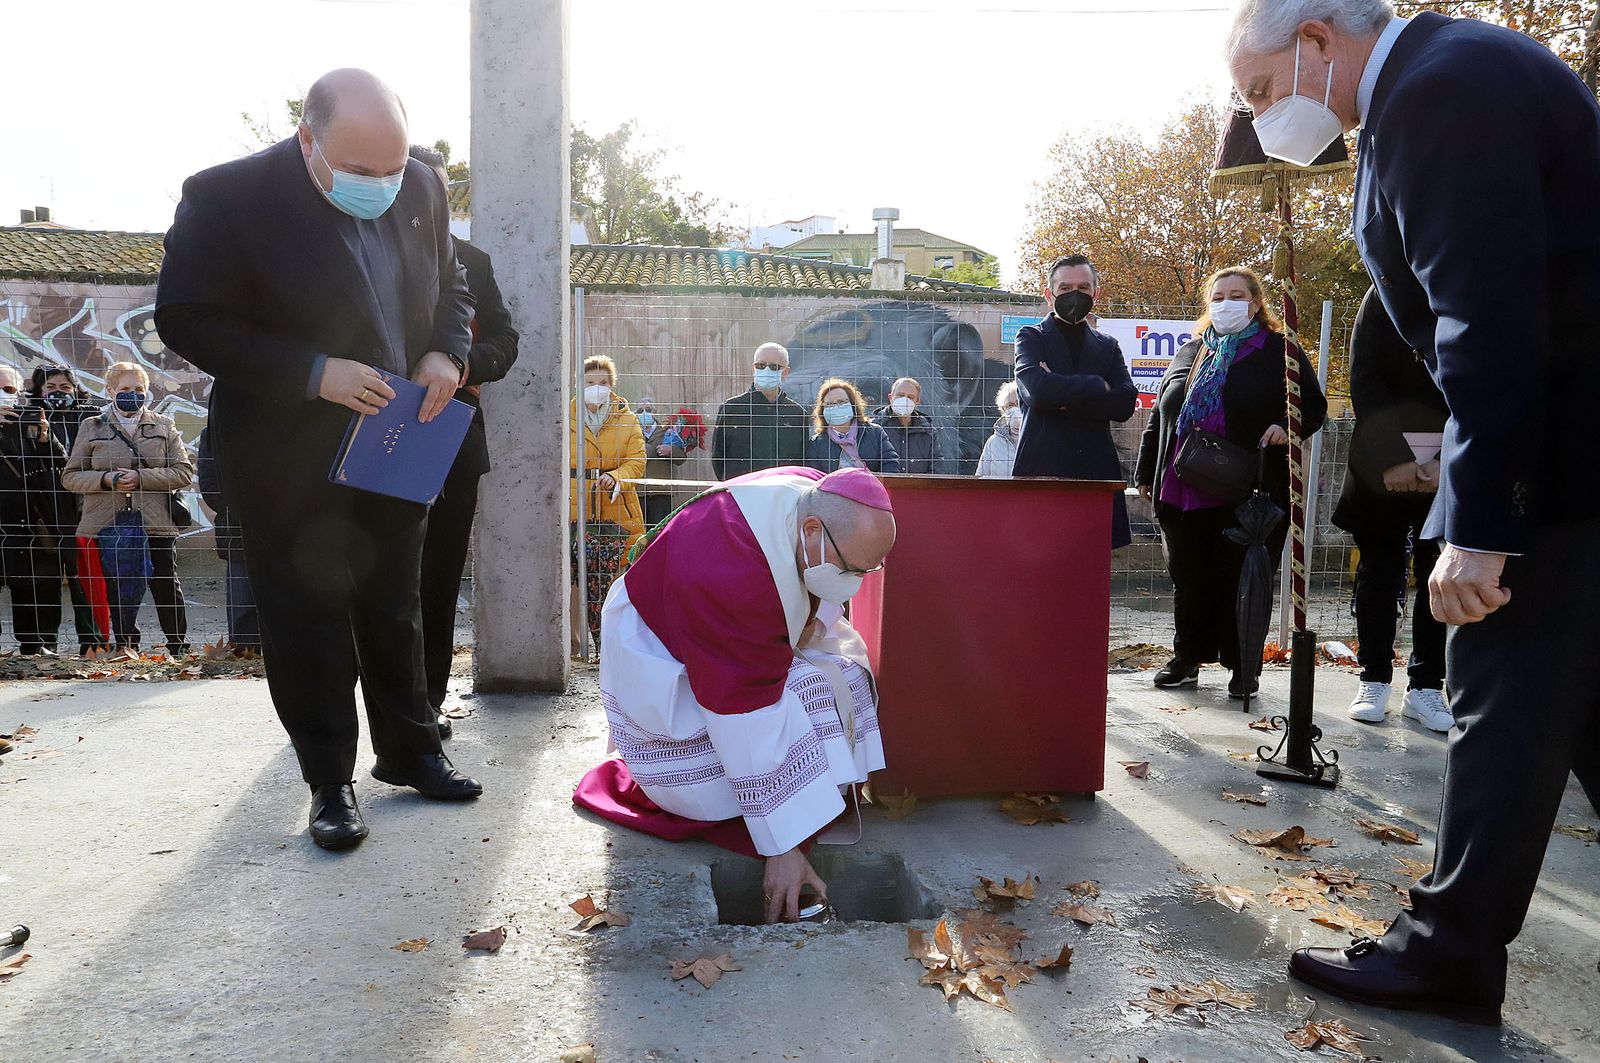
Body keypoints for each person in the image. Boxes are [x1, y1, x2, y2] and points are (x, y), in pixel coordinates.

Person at [1228, 1, 1600, 1025]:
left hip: (1561, 469)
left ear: (1316, 39)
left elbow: (1489, 320)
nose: (1259, 118)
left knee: (1499, 694)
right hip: (1574, 455)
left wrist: (1480, 528)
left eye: (1259, 91)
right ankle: (1451, 947)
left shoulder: (1439, 93)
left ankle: (1448, 953)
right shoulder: (1448, 74)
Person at [154, 68, 483, 852]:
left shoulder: (420, 187)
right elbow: (186, 317)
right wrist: (313, 372)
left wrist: (446, 351)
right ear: (309, 139)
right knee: (306, 617)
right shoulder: (226, 197)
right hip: (285, 452)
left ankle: (411, 751)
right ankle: (329, 781)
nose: (383, 185)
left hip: (395, 438)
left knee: (395, 602)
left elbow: (454, 285)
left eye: (393, 167)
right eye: (362, 170)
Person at [572, 466, 896, 923]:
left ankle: (809, 801)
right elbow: (743, 714)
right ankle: (779, 815)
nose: (855, 582)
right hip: (666, 677)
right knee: (809, 692)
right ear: (811, 530)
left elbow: (806, 591)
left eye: (867, 570)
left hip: (724, 639)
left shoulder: (812, 493)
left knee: (846, 672)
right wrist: (783, 845)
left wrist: (809, 620)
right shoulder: (732, 573)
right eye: (850, 570)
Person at [1134, 267, 1326, 698]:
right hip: (1183, 487)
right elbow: (1161, 414)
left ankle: (1243, 667)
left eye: (1237, 296)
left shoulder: (1279, 350)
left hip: (1248, 489)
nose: (1226, 304)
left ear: (1256, 303)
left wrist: (1286, 426)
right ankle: (1187, 658)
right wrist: (1146, 470)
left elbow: (1313, 406)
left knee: (1242, 581)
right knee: (1189, 580)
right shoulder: (1192, 350)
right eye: (1218, 297)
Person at [411, 145, 521, 735]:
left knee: (439, 574)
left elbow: (505, 338)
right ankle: (363, 701)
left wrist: (461, 364)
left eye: (436, 187)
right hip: (373, 429)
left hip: (454, 435)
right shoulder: (359, 254)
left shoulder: (472, 262)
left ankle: (426, 703)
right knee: (371, 572)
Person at [1332, 288, 1450, 731]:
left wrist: (1449, 460)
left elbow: (1481, 377)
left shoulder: (1467, 286)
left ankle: (1426, 686)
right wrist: (1394, 458)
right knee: (1378, 572)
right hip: (1381, 463)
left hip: (1450, 458)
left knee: (1439, 572)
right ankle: (1374, 677)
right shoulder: (1383, 293)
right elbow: (1366, 377)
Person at [61, 362, 194, 656]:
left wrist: (141, 477)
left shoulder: (163, 425)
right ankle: (126, 645)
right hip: (107, 521)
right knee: (117, 585)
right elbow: (70, 477)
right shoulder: (92, 426)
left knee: (165, 584)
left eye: (138, 389)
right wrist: (106, 479)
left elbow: (184, 472)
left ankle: (178, 646)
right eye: (124, 389)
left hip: (155, 520)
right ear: (110, 391)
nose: (132, 394)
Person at [1013, 254, 1140, 546]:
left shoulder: (1107, 345)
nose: (1075, 295)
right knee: (1040, 563)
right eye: (1065, 288)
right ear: (1049, 295)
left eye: (1083, 288)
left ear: (1096, 294)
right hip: (1043, 472)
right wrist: (1097, 385)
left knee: (1091, 567)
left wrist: (1060, 396)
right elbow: (1036, 391)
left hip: (1095, 474)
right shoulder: (1031, 337)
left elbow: (1124, 404)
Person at [569, 354, 646, 657]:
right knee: (575, 578)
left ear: (612, 386)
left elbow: (637, 462)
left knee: (614, 578)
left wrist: (616, 477)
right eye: (590, 382)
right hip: (576, 506)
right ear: (579, 384)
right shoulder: (566, 416)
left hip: (617, 509)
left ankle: (612, 647)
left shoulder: (628, 419)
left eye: (603, 382)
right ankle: (574, 646)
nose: (596, 387)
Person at [28, 364, 109, 653]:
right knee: (46, 578)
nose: (58, 393)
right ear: (39, 391)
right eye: (50, 388)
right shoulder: (27, 418)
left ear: (75, 390)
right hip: (43, 508)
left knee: (83, 577)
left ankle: (92, 642)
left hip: (83, 507)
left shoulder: (92, 419)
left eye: (65, 387)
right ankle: (44, 643)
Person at [0, 365, 69, 655]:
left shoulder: (30, 418)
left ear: (19, 393)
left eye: (9, 389)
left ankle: (38, 643)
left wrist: (45, 438)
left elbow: (61, 466)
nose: (3, 395)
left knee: (36, 584)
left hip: (30, 518)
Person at [196, 425, 258, 653]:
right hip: (235, 525)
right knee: (241, 594)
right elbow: (209, 482)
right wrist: (232, 509)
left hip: (279, 524)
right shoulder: (214, 433)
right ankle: (245, 651)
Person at [711, 342, 809, 480]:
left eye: (774, 367)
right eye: (761, 365)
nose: (766, 370)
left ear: (785, 372)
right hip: (741, 489)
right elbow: (718, 458)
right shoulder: (731, 408)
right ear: (754, 368)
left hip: (782, 490)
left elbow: (802, 460)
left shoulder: (797, 414)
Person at [806, 379, 902, 474]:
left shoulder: (875, 432)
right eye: (829, 404)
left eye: (841, 402)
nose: (836, 407)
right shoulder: (817, 443)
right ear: (822, 409)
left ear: (852, 405)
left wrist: (875, 480)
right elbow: (814, 475)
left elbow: (890, 463)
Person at [635, 395, 688, 528]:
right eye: (640, 411)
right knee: (640, 531)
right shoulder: (632, 432)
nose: (644, 413)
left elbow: (681, 458)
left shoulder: (667, 431)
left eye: (648, 409)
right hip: (638, 491)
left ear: (655, 412)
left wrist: (671, 450)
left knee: (660, 530)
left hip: (661, 491)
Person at [871, 377, 940, 475]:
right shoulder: (873, 428)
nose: (905, 400)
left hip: (918, 485)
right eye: (900, 395)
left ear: (917, 402)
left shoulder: (928, 432)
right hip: (882, 484)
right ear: (890, 397)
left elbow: (936, 468)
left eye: (910, 397)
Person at [976, 382, 1022, 479]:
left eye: (1018, 404)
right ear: (1003, 410)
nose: (1014, 409)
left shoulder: (1038, 439)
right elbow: (980, 477)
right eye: (1009, 405)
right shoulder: (993, 442)